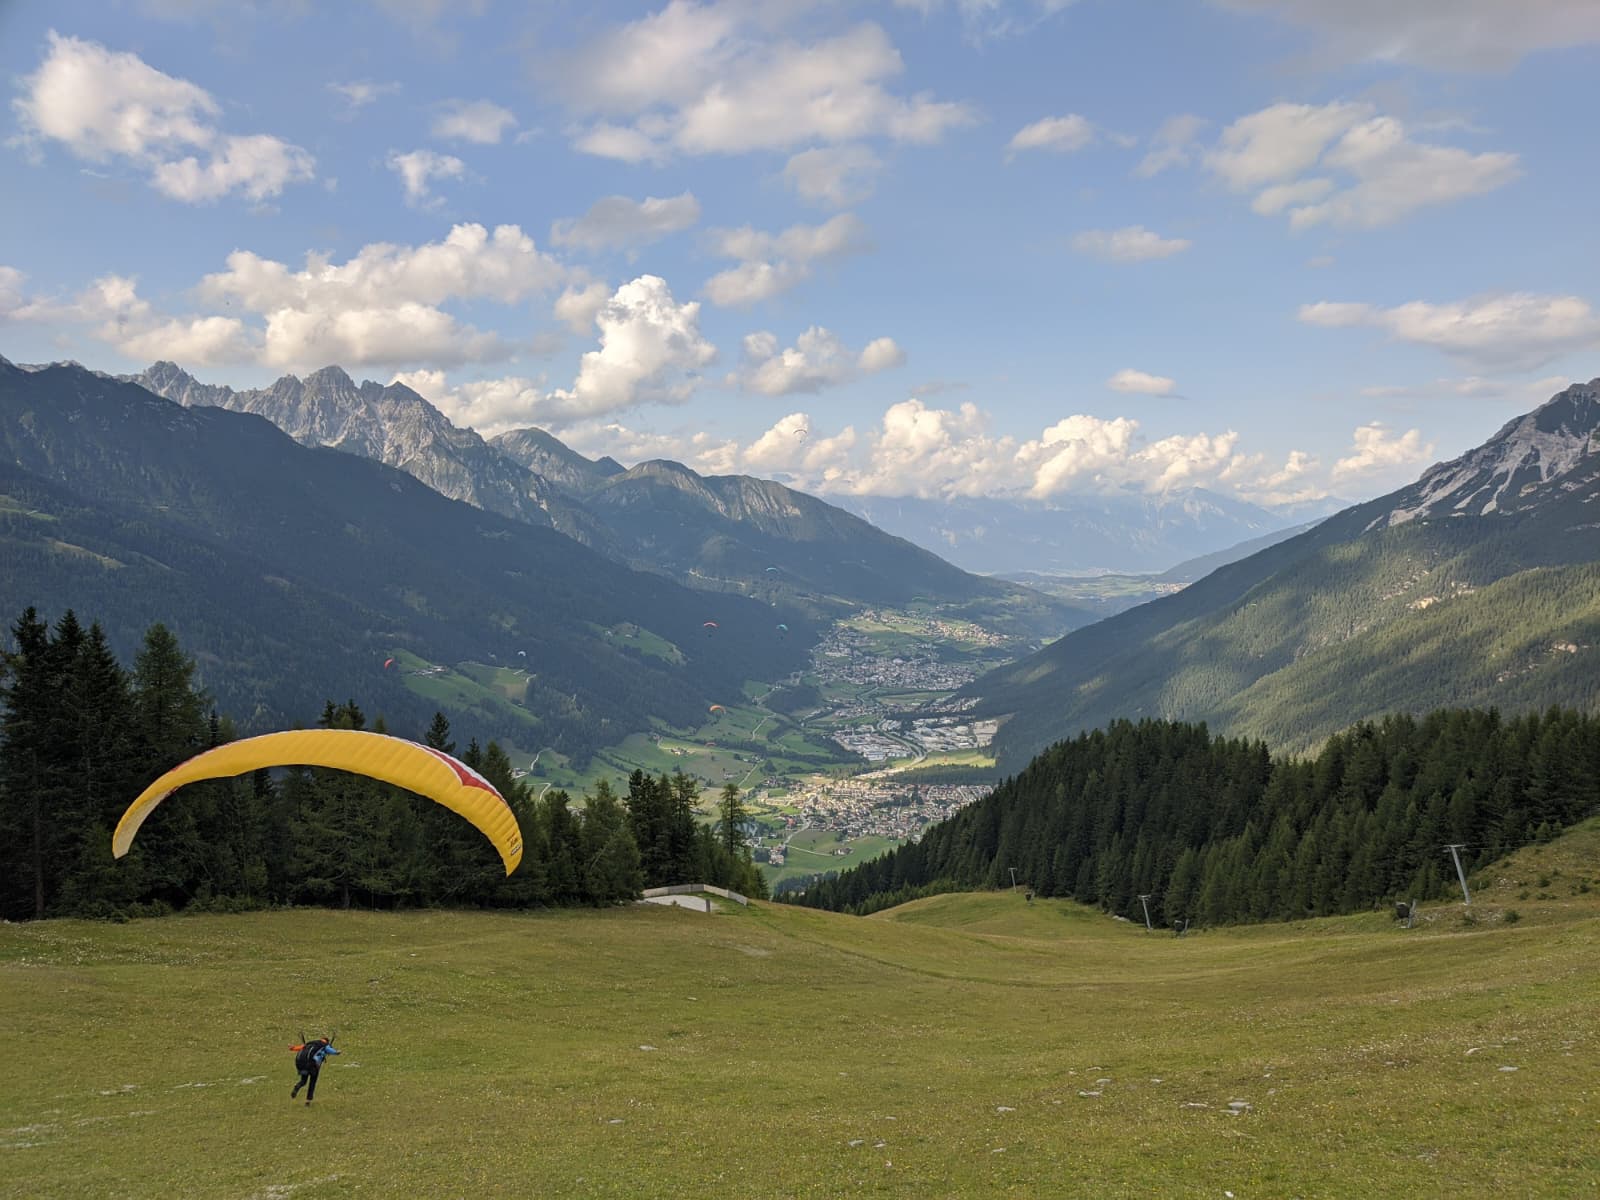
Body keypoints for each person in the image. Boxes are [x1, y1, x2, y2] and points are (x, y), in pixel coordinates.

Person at [289, 1036, 340, 1105]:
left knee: (303, 1081)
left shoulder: (311, 1043)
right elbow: (330, 1050)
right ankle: (308, 1101)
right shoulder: (324, 1045)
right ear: (327, 1041)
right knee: (312, 1082)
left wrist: (293, 1048)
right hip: (312, 1065)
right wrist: (336, 1052)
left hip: (301, 1064)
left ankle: (297, 1086)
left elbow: (301, 1047)